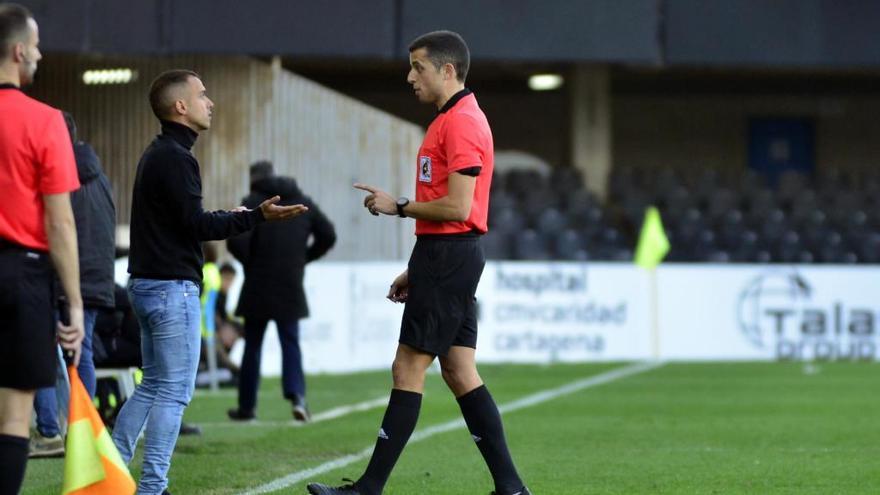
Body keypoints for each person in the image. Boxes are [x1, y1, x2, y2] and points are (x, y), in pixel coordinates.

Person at [307, 31, 530, 495]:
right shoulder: (451, 119)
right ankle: (511, 488)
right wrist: (420, 265)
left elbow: (459, 207)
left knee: (408, 367)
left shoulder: (463, 122)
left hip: (450, 253)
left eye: (418, 67)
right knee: (459, 370)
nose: (410, 77)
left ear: (447, 71)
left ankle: (369, 488)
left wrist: (399, 206)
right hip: (445, 255)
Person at [111, 69, 307, 495]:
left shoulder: (157, 154)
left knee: (152, 387)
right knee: (173, 394)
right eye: (202, 95)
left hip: (146, 285)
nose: (210, 102)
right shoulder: (177, 159)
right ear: (181, 107)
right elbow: (197, 225)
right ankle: (152, 487)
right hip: (169, 289)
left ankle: (107, 472)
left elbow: (184, 222)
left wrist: (236, 215)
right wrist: (252, 217)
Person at [0, 4, 84, 493]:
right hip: (21, 274)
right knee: (14, 415)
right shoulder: (46, 121)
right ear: (17, 52)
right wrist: (73, 303)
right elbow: (60, 222)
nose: (40, 53)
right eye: (34, 45)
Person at [30, 111, 117, 458]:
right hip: (97, 277)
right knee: (83, 356)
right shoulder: (100, 175)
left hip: (63, 275)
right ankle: (82, 432)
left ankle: (50, 430)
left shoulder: (57, 174)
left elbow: (54, 226)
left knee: (42, 352)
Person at [227, 160, 336, 422]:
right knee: (290, 343)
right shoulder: (300, 199)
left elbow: (235, 240)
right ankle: (297, 397)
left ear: (254, 178)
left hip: (257, 284)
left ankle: (247, 408)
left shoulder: (252, 200)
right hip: (290, 283)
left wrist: (251, 262)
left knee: (252, 346)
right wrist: (303, 258)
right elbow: (328, 234)